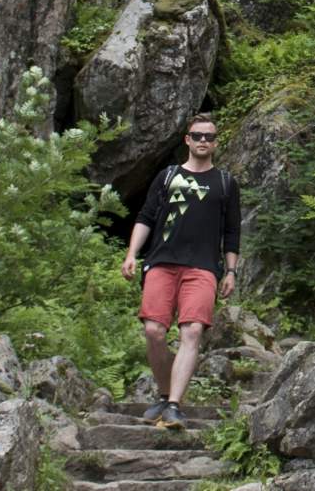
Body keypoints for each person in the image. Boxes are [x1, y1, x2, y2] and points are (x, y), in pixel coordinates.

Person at [121, 113, 241, 428]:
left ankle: (173, 405)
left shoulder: (226, 183)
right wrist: (132, 253)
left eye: (210, 137)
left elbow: (231, 232)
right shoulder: (167, 176)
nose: (204, 141)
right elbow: (146, 216)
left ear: (216, 143)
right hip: (161, 262)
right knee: (153, 331)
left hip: (202, 268)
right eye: (198, 135)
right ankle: (163, 395)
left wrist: (230, 271)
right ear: (187, 139)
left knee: (192, 330)